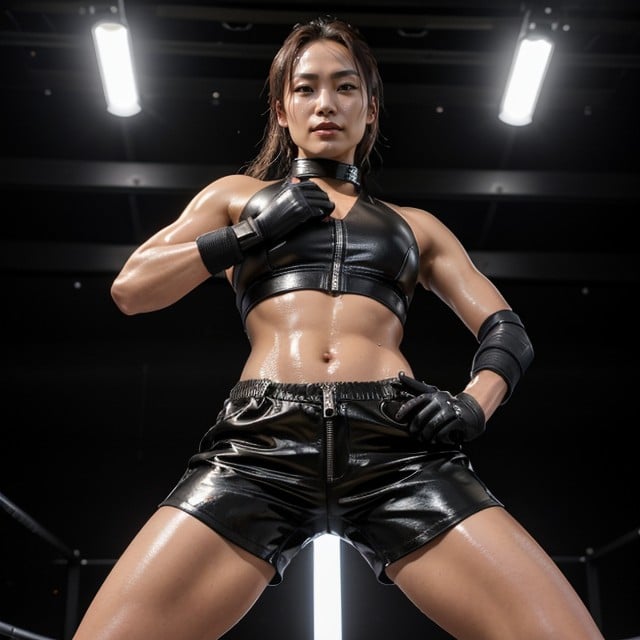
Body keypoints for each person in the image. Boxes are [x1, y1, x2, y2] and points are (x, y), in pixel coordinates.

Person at [72, 15, 604, 640]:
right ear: (281, 109)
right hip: (263, 443)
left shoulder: (415, 226)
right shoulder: (238, 198)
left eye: (345, 87)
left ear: (370, 107)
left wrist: (473, 405)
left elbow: (507, 331)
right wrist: (251, 232)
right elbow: (132, 289)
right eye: (306, 88)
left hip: (398, 447)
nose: (325, 103)